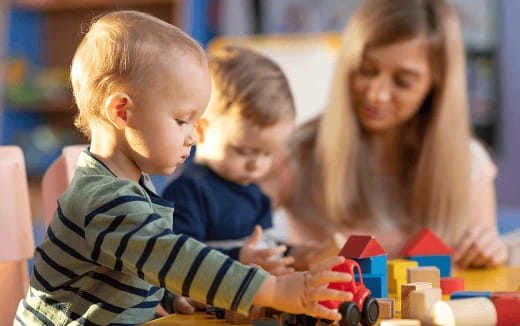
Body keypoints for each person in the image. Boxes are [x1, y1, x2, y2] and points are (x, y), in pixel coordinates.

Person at [14, 11, 353, 325]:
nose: (193, 136)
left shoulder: (132, 183)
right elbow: (172, 256)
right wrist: (276, 291)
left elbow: (141, 264)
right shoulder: (104, 198)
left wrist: (173, 296)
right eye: (181, 120)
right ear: (122, 112)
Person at [268, 0, 508, 268]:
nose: (376, 95)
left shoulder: (468, 164)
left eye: (403, 81)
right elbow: (231, 237)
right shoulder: (296, 154)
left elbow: (484, 265)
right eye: (366, 70)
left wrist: (491, 250)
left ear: (435, 85)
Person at [161, 46, 314, 313]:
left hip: (250, 305)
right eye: (243, 151)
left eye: (267, 153)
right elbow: (177, 262)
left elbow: (266, 248)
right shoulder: (189, 192)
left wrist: (294, 253)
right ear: (201, 130)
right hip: (211, 311)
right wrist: (239, 260)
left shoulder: (255, 194)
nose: (256, 165)